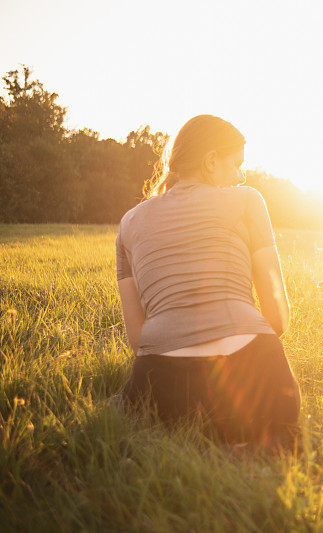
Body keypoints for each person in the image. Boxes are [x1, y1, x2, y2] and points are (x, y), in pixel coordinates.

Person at [114, 114, 300, 452]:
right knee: (275, 424)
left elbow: (137, 338)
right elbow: (278, 319)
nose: (240, 176)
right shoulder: (247, 200)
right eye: (235, 164)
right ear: (211, 161)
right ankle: (249, 446)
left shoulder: (128, 222)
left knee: (126, 411)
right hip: (259, 384)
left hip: (160, 386)